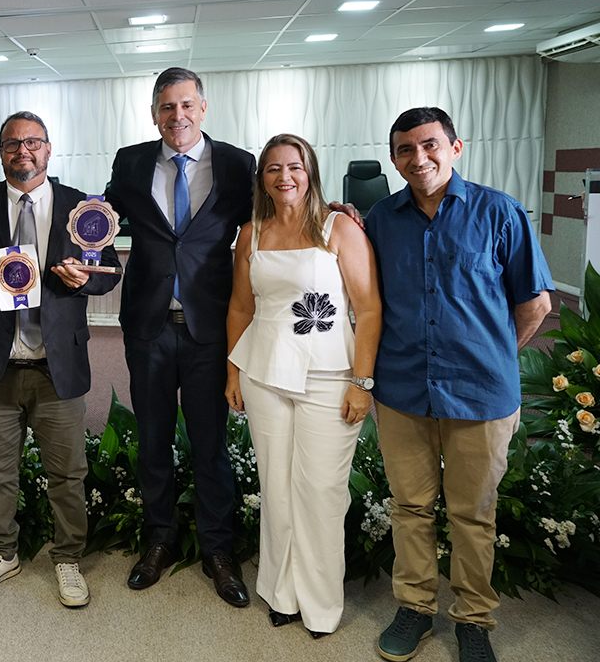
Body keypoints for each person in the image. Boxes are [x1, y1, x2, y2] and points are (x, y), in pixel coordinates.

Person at [366, 107, 552, 662]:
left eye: (429, 146)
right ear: (394, 157)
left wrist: (493, 355)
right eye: (404, 150)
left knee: (473, 512)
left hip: (480, 394)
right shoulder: (380, 219)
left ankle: (474, 618)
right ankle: (415, 608)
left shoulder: (499, 213)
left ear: (456, 147)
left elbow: (535, 304)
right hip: (402, 390)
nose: (417, 159)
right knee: (411, 506)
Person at [0, 111, 120, 607]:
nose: (23, 151)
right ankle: (2, 553)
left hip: (57, 364)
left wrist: (88, 279)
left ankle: (67, 558)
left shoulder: (81, 205)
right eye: (13, 144)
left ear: (49, 149)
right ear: (1, 152)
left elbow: (108, 270)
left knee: (68, 473)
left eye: (32, 142)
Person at [103, 67, 254, 605]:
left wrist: (330, 215)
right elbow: (99, 222)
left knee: (210, 444)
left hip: (211, 329)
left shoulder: (238, 164)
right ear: (154, 114)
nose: (178, 117)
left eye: (187, 106)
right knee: (153, 440)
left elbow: (276, 219)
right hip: (148, 327)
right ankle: (159, 540)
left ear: (203, 108)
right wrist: (79, 251)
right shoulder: (131, 160)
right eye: (167, 107)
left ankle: (218, 549)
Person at [225, 134, 381, 637]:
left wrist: (362, 381)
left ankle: (321, 604)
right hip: (265, 372)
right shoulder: (250, 233)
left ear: (310, 171)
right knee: (276, 487)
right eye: (273, 169)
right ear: (261, 179)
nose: (284, 176)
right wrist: (233, 371)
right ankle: (282, 592)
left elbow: (370, 309)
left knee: (321, 491)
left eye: (294, 166)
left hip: (330, 373)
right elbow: (241, 308)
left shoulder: (339, 228)